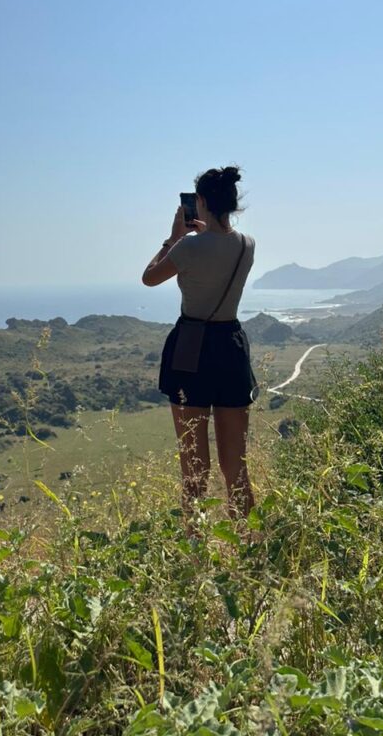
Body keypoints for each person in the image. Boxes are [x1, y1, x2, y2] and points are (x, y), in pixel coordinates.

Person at [141, 165, 258, 535]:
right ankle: (248, 546)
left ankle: (195, 551)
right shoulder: (247, 244)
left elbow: (149, 277)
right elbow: (219, 250)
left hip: (191, 349)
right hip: (231, 348)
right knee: (235, 466)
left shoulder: (188, 247)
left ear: (201, 202)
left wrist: (172, 237)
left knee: (194, 465)